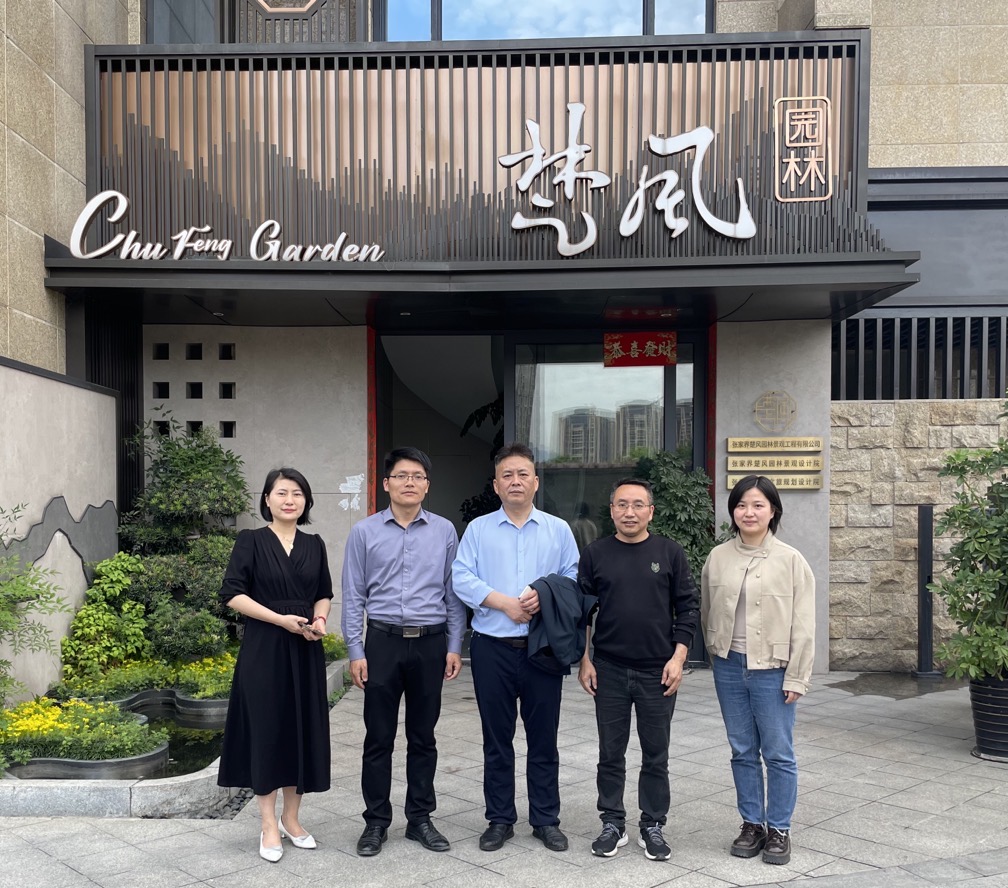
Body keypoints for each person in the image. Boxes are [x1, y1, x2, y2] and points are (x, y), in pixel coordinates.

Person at [452, 442, 579, 853]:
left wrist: (545, 594)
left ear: (536, 482)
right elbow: (461, 577)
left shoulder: (558, 530)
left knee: (544, 738)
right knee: (496, 739)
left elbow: (573, 577)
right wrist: (502, 602)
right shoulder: (478, 530)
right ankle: (500, 819)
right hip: (491, 647)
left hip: (542, 648)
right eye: (507, 475)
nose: (515, 481)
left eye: (523, 474)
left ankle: (545, 819)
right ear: (496, 485)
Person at [341, 447, 466, 857]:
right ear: (386, 483)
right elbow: (353, 595)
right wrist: (355, 650)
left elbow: (452, 594)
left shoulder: (445, 531)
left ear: (427, 485)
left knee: (423, 736)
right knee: (378, 737)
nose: (409, 482)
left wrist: (454, 645)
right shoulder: (364, 532)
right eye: (401, 475)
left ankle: (420, 819)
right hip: (383, 643)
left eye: (417, 476)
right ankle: (376, 822)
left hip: (430, 643)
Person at [577, 478, 698, 861]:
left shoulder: (669, 552)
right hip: (609, 669)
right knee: (610, 753)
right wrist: (584, 660)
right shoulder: (595, 554)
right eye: (622, 504)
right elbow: (584, 613)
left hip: (657, 672)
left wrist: (678, 659)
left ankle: (653, 824)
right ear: (612, 510)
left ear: (651, 511)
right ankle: (612, 822)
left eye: (638, 505)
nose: (630, 512)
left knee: (655, 753)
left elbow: (688, 608)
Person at [217, 467, 332, 863]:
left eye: (297, 493)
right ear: (266, 499)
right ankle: (268, 823)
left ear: (306, 501)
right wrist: (280, 620)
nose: (289, 500)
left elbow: (323, 593)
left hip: (305, 648)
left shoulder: (314, 544)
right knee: (266, 730)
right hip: (264, 648)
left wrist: (320, 620)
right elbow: (232, 594)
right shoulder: (250, 541)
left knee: (300, 730)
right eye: (281, 492)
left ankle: (291, 819)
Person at [700, 474, 815, 867]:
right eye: (741, 505)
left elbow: (804, 623)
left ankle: (779, 828)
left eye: (757, 505)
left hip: (773, 670)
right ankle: (752, 824)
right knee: (742, 749)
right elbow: (707, 610)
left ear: (773, 511)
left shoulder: (791, 560)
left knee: (778, 753)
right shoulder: (718, 557)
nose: (748, 512)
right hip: (730, 666)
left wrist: (797, 675)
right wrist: (716, 653)